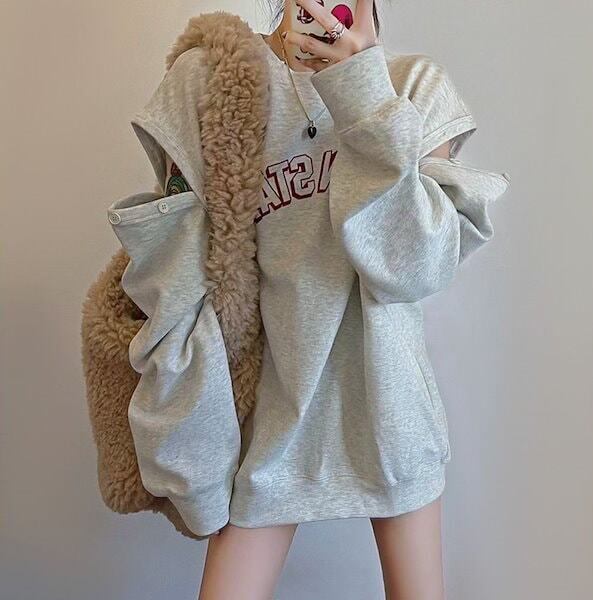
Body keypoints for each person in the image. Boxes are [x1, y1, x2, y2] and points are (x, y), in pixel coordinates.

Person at [106, 1, 510, 598]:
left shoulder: (411, 87)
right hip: (266, 429)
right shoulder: (213, 83)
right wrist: (192, 448)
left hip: (391, 421)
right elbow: (178, 285)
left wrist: (361, 89)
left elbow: (412, 268)